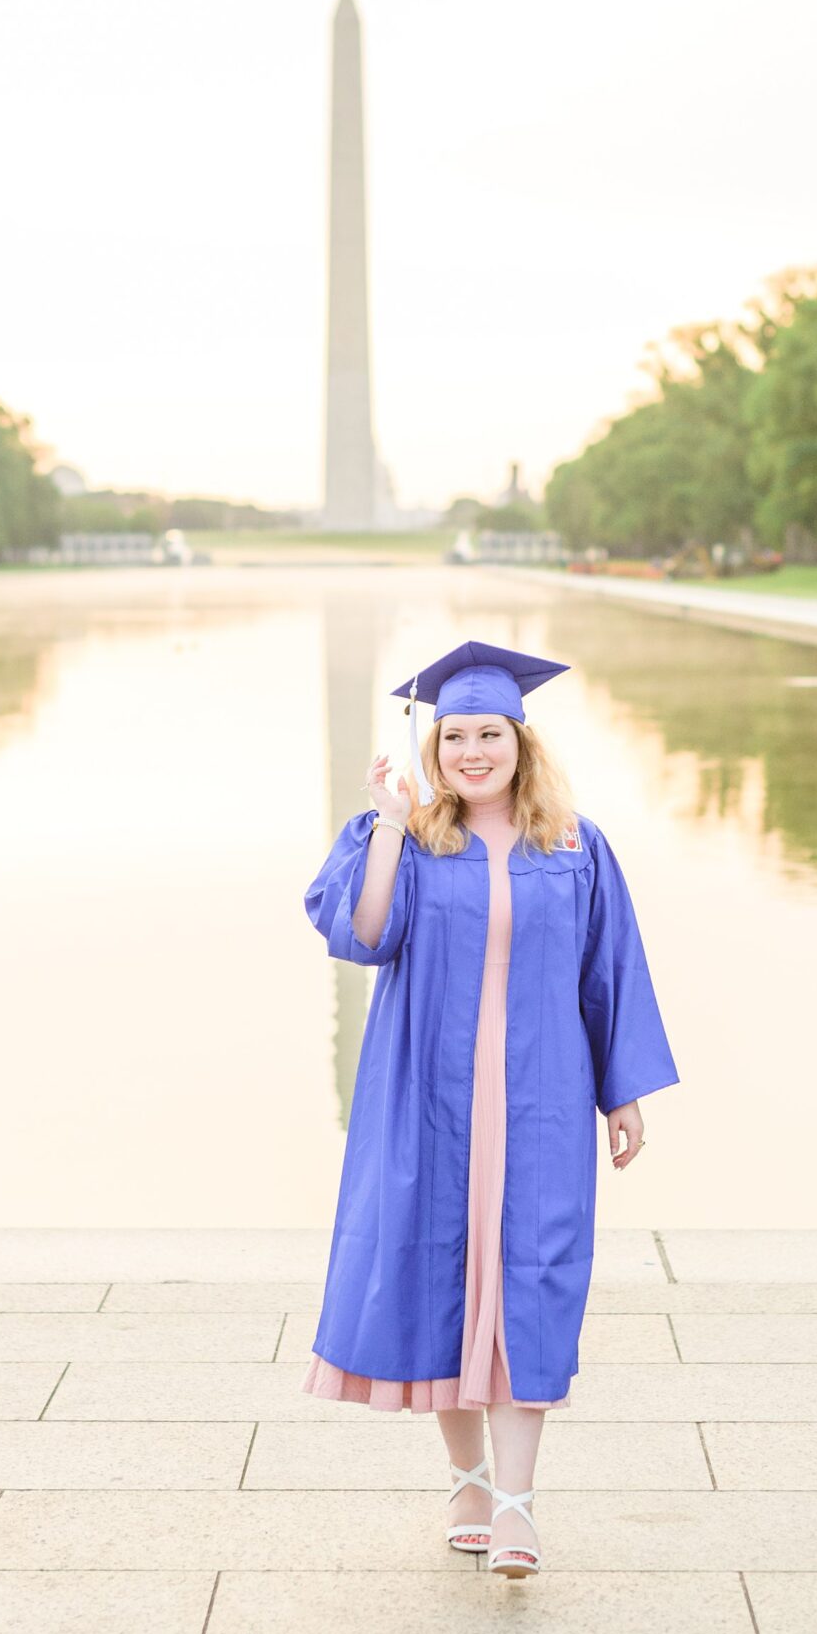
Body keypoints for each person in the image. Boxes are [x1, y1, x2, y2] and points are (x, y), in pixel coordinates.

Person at [300, 637, 679, 1578]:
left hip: (542, 1103)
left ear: (520, 741)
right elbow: (362, 935)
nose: (472, 752)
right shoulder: (412, 842)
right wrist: (387, 822)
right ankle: (467, 1479)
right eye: (454, 736)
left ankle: (516, 1504)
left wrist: (620, 1090)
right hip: (427, 1102)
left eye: (489, 735)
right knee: (444, 1285)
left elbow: (611, 972)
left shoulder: (574, 845)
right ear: (432, 751)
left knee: (530, 1286)